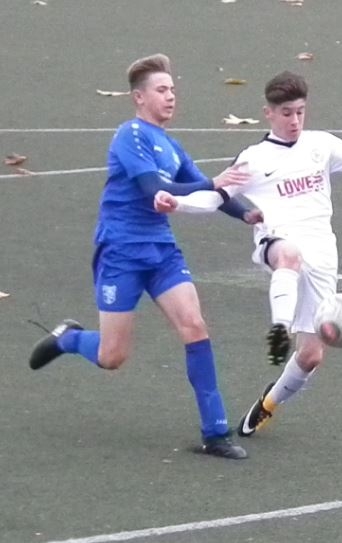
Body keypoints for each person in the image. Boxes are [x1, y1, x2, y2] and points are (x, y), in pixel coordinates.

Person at [152, 70, 342, 438]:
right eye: (286, 113)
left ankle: (269, 403)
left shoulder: (321, 145)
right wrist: (176, 203)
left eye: (300, 112)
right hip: (277, 240)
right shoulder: (254, 159)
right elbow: (215, 197)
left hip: (322, 255)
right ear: (269, 113)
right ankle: (279, 328)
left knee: (311, 355)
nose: (294, 121)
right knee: (288, 255)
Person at [29, 53, 261, 459]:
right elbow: (154, 188)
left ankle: (216, 432)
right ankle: (70, 338)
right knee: (112, 356)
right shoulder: (130, 135)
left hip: (161, 250)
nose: (171, 96)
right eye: (162, 90)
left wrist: (246, 214)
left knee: (195, 326)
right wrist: (214, 181)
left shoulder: (171, 146)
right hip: (121, 252)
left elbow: (204, 191)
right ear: (139, 97)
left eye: (172, 89)